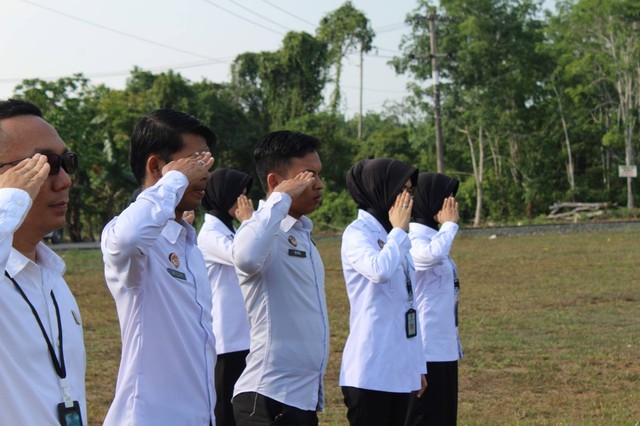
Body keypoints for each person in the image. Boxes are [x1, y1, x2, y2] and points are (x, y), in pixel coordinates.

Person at [101, 109, 217, 425]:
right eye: (194, 163)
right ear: (156, 166)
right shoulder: (130, 237)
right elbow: (129, 239)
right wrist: (175, 180)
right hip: (150, 416)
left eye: (206, 163)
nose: (205, 174)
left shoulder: (188, 243)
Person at [231, 130, 329, 426]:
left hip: (301, 399)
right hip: (268, 399)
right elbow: (246, 257)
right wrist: (280, 199)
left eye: (319, 175)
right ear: (275, 182)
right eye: (308, 176)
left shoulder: (302, 233)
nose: (319, 184)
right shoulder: (261, 232)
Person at [0, 98, 86, 425]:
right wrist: (10, 200)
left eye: (66, 162)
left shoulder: (52, 278)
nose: (64, 180)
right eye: (44, 165)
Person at [340, 158, 426, 426]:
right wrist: (399, 231)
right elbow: (379, 270)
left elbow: (408, 303)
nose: (408, 199)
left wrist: (417, 365)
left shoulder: (394, 235)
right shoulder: (358, 234)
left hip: (398, 367)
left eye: (411, 191)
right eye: (402, 190)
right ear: (382, 190)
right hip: (370, 371)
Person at [197, 168, 254, 426]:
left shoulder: (228, 229)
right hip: (225, 340)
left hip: (244, 336)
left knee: (241, 409)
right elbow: (240, 256)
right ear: (223, 195)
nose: (243, 201)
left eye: (245, 195)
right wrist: (250, 223)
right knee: (224, 413)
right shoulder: (210, 234)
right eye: (238, 195)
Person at [406, 172, 462, 426]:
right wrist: (449, 226)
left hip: (444, 350)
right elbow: (428, 257)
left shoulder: (435, 239)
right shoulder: (412, 239)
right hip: (425, 351)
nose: (453, 205)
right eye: (447, 198)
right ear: (431, 201)